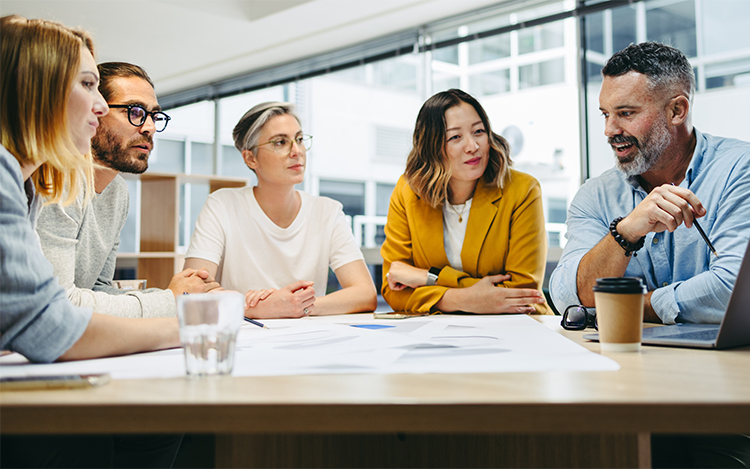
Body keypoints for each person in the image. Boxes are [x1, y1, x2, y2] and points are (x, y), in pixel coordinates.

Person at [0, 15, 182, 468]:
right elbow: (50, 324)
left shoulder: (22, 185)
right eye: (87, 85)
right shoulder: (12, 175)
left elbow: (49, 311)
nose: (100, 107)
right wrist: (186, 322)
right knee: (85, 442)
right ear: (35, 90)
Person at [549, 42, 750, 325]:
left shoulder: (739, 170)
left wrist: (629, 305)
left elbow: (734, 292)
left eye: (626, 113)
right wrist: (625, 232)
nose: (609, 130)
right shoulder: (594, 196)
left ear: (677, 111)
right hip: (621, 362)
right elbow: (568, 299)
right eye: (605, 114)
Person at [35, 62, 219, 318]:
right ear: (94, 110)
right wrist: (171, 300)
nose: (149, 127)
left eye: (154, 115)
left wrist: (185, 296)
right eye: (135, 111)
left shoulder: (117, 192)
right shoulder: (57, 180)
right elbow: (59, 304)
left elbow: (98, 290)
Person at [183, 102, 377, 318]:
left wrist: (297, 306)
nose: (297, 151)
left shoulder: (327, 212)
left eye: (300, 139)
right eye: (280, 142)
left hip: (308, 340)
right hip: (243, 341)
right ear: (250, 158)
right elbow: (190, 292)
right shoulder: (223, 205)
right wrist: (260, 308)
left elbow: (365, 294)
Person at [381, 89, 550, 315]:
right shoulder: (407, 191)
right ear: (431, 147)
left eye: (478, 131)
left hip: (517, 327)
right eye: (455, 137)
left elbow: (521, 293)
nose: (472, 146)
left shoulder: (522, 190)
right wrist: (460, 299)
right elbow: (393, 288)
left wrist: (428, 278)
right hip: (439, 333)